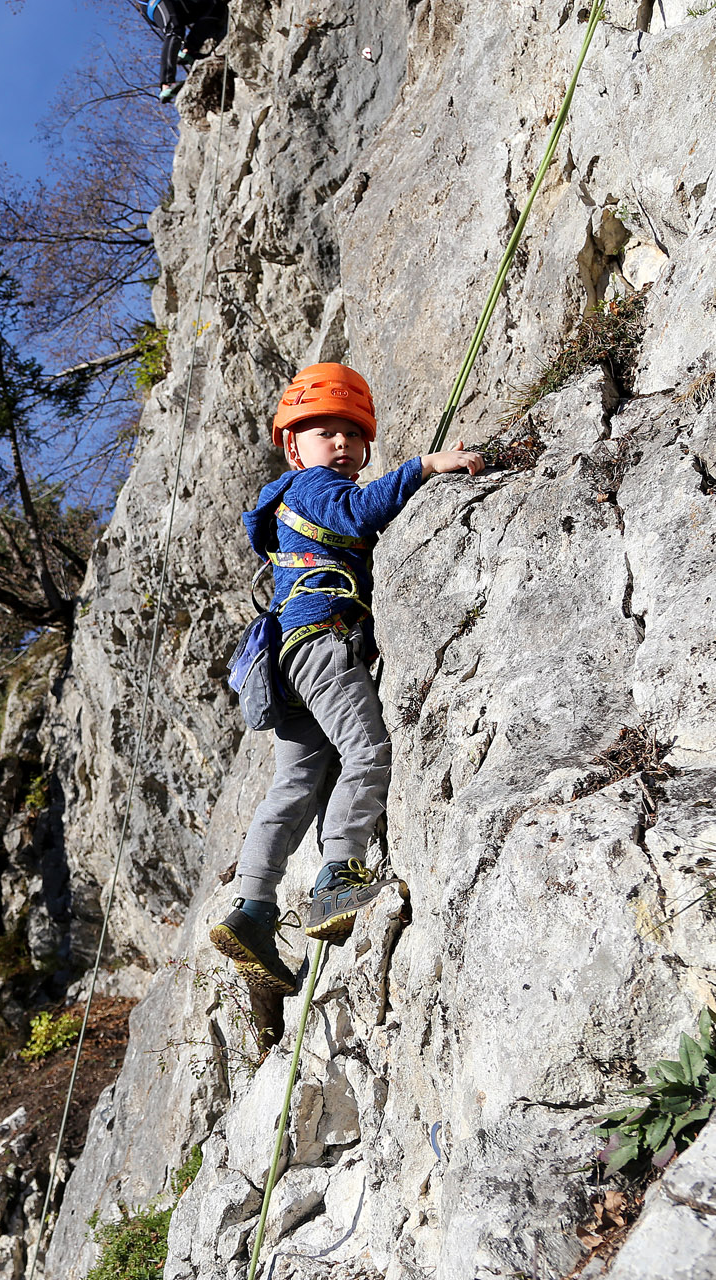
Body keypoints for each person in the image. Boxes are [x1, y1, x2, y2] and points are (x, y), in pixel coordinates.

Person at [211, 363, 485, 996]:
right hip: (322, 646)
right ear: (292, 446)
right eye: (323, 431)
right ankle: (338, 872)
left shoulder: (290, 501)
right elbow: (362, 512)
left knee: (298, 780)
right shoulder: (309, 488)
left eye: (351, 434)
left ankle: (252, 908)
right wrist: (425, 467)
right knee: (366, 750)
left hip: (288, 660)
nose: (340, 445)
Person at [143, 0, 228, 103]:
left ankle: (189, 50)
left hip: (179, 4)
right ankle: (166, 83)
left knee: (216, 8)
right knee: (174, 30)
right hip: (156, 3)